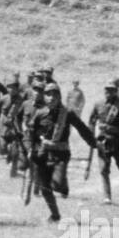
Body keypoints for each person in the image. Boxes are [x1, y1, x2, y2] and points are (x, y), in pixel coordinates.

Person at [23, 82, 95, 222]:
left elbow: (82, 129)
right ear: (44, 97)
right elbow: (29, 133)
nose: (51, 98)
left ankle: (63, 184)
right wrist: (29, 148)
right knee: (45, 189)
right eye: (48, 95)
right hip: (42, 155)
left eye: (54, 95)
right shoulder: (39, 113)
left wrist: (94, 143)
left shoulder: (67, 113)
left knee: (56, 183)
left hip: (60, 154)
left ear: (60, 96)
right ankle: (55, 215)